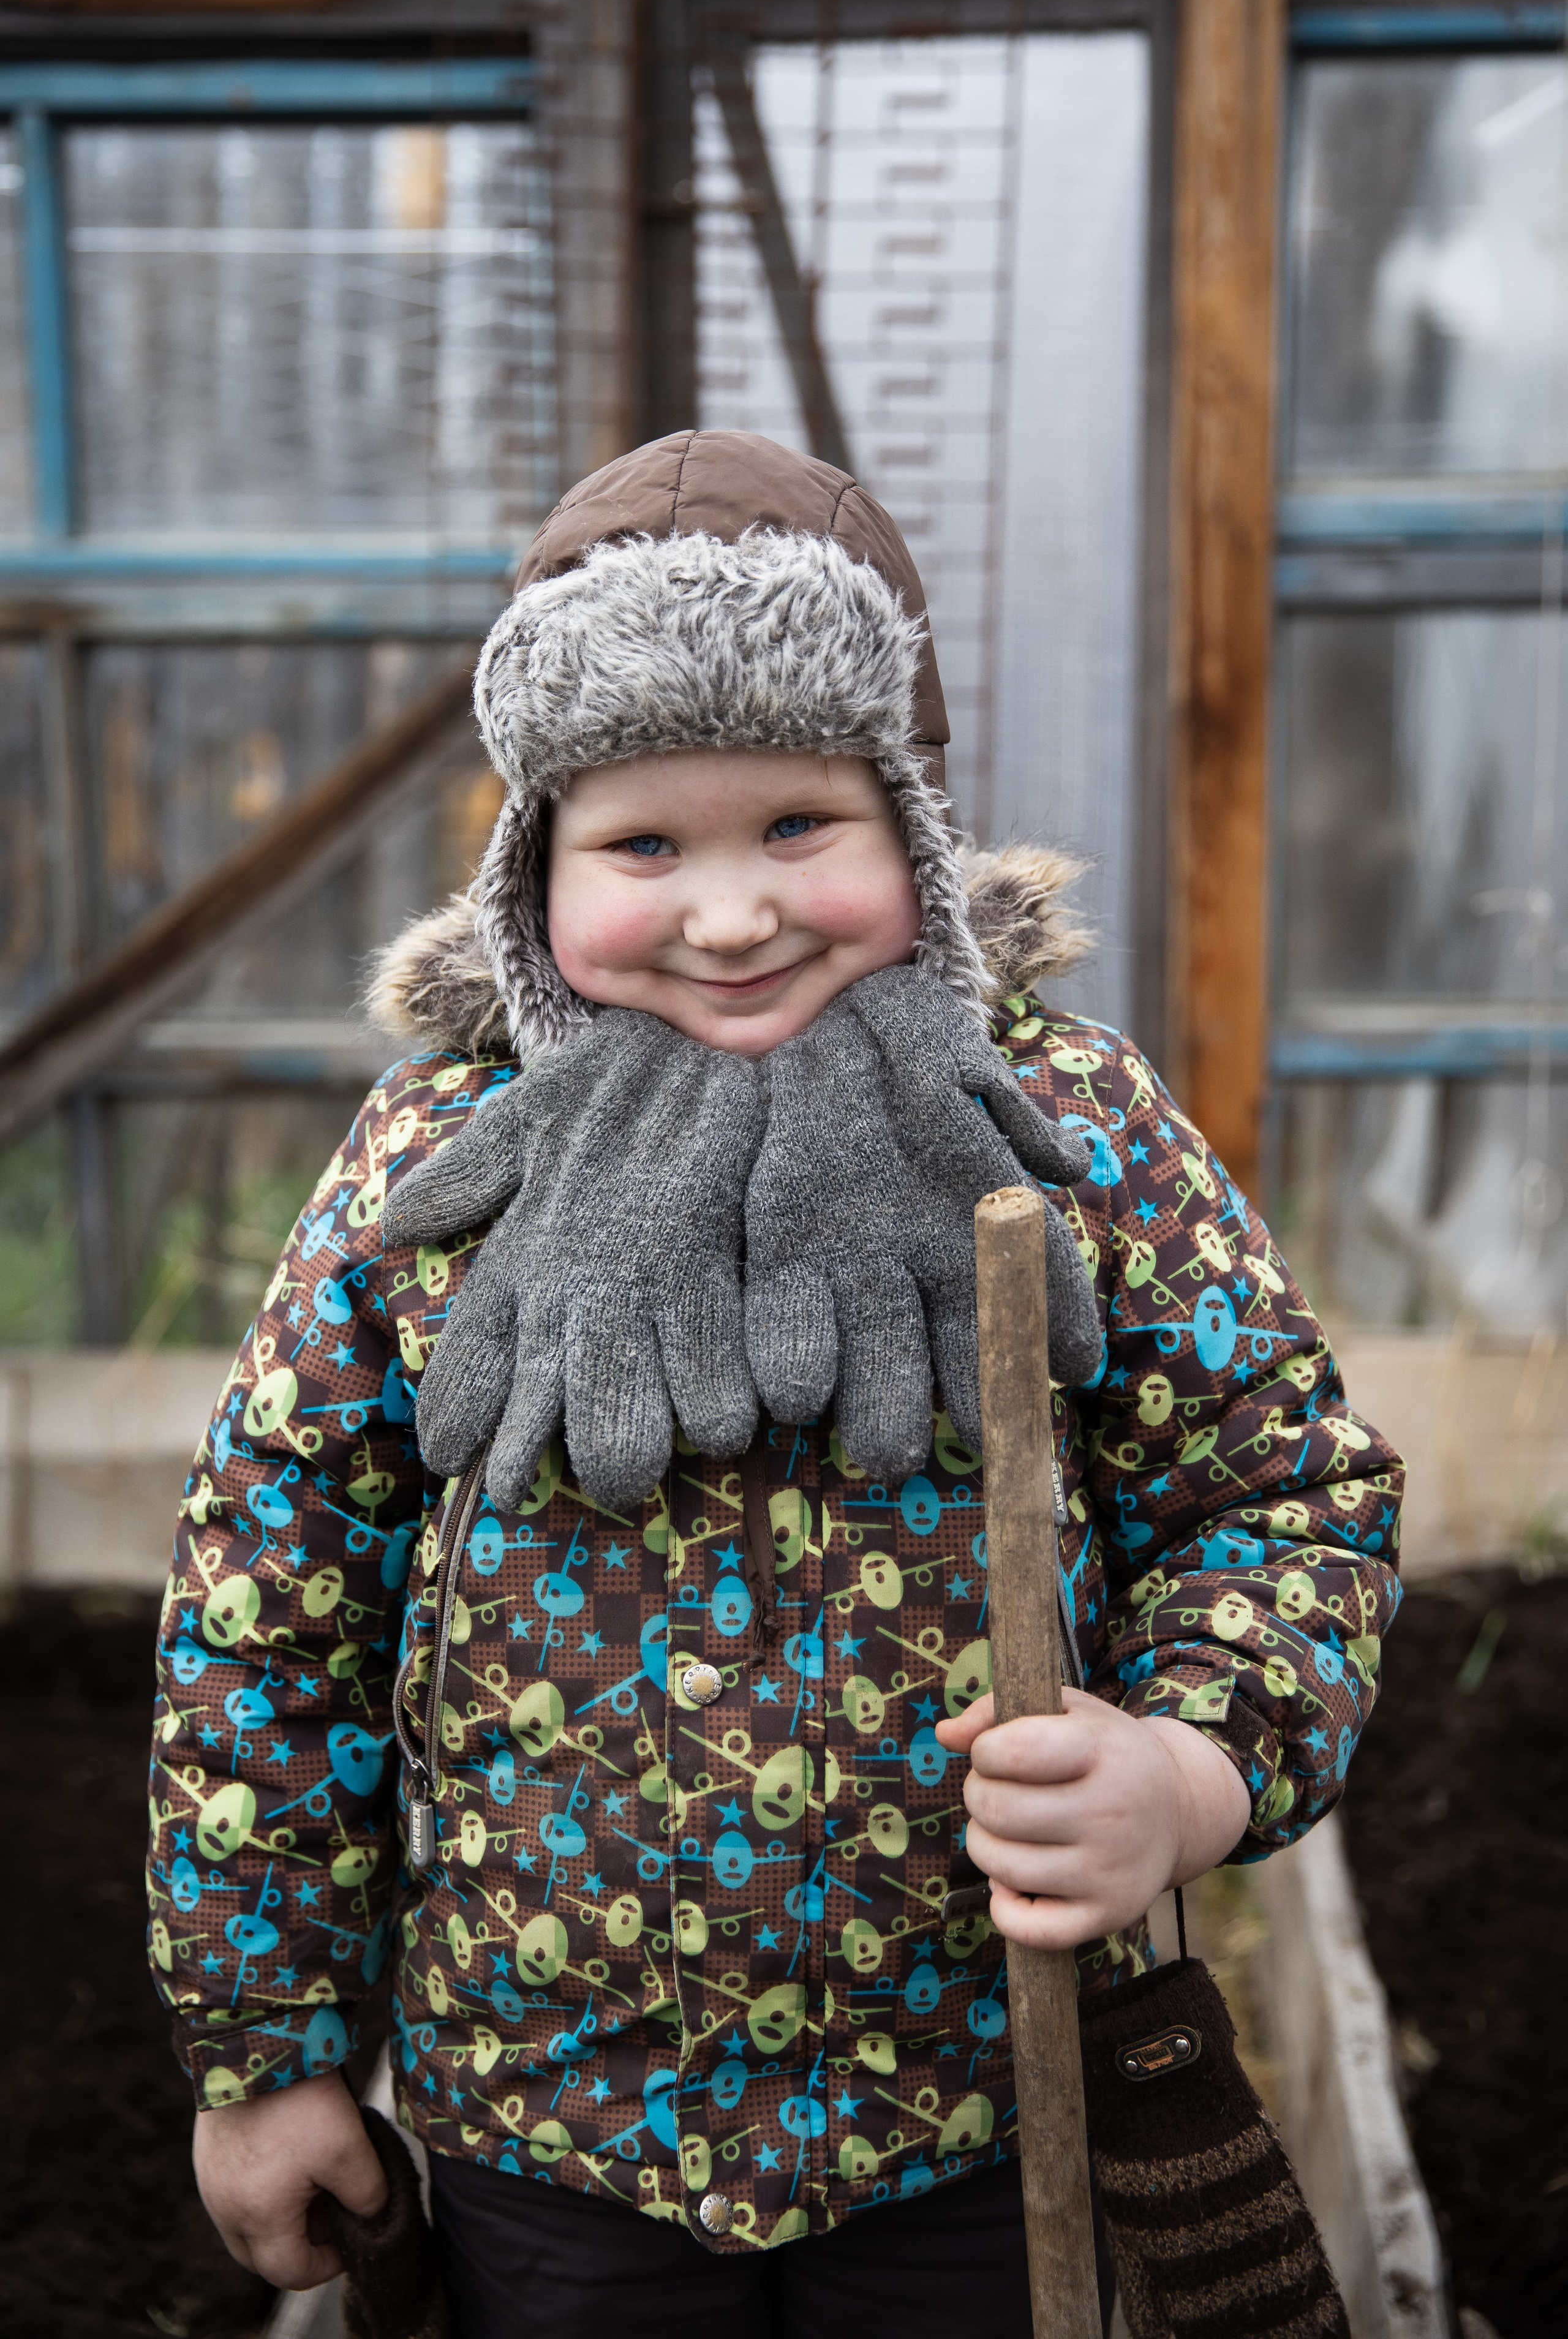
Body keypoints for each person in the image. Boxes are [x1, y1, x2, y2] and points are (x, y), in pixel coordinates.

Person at [149, 431, 1402, 2339]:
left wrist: (1193, 1765)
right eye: (644, 846)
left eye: (798, 829)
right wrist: (267, 2049)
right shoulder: (436, 1171)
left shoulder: (1057, 1128)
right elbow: (270, 1600)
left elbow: (1284, 1491)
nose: (731, 915)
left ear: (909, 824)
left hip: (986, 2111)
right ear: (529, 872)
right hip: (549, 2127)